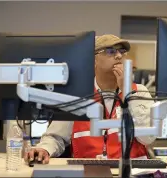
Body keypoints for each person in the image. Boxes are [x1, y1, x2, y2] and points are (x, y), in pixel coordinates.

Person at [25, 34, 156, 164]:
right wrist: (44, 149)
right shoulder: (78, 95)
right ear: (92, 60)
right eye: (110, 51)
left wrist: (128, 92)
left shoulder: (139, 92)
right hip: (89, 171)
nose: (119, 56)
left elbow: (147, 137)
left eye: (122, 51)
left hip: (132, 172)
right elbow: (56, 137)